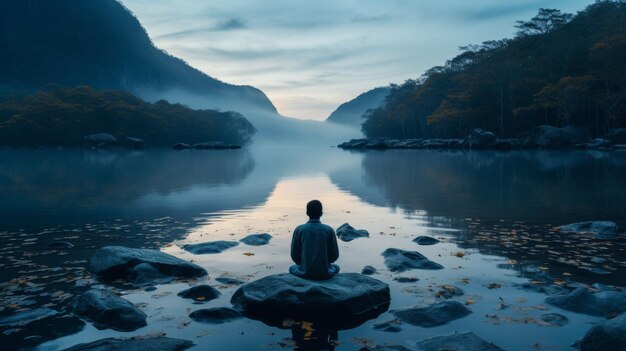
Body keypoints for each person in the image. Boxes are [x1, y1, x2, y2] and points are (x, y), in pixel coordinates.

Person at [289, 200, 340, 280]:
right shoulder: (328, 230)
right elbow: (334, 256)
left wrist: (302, 263)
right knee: (336, 267)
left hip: (304, 272)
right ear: (321, 213)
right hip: (325, 273)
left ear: (307, 213)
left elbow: (294, 255)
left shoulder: (299, 229)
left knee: (291, 268)